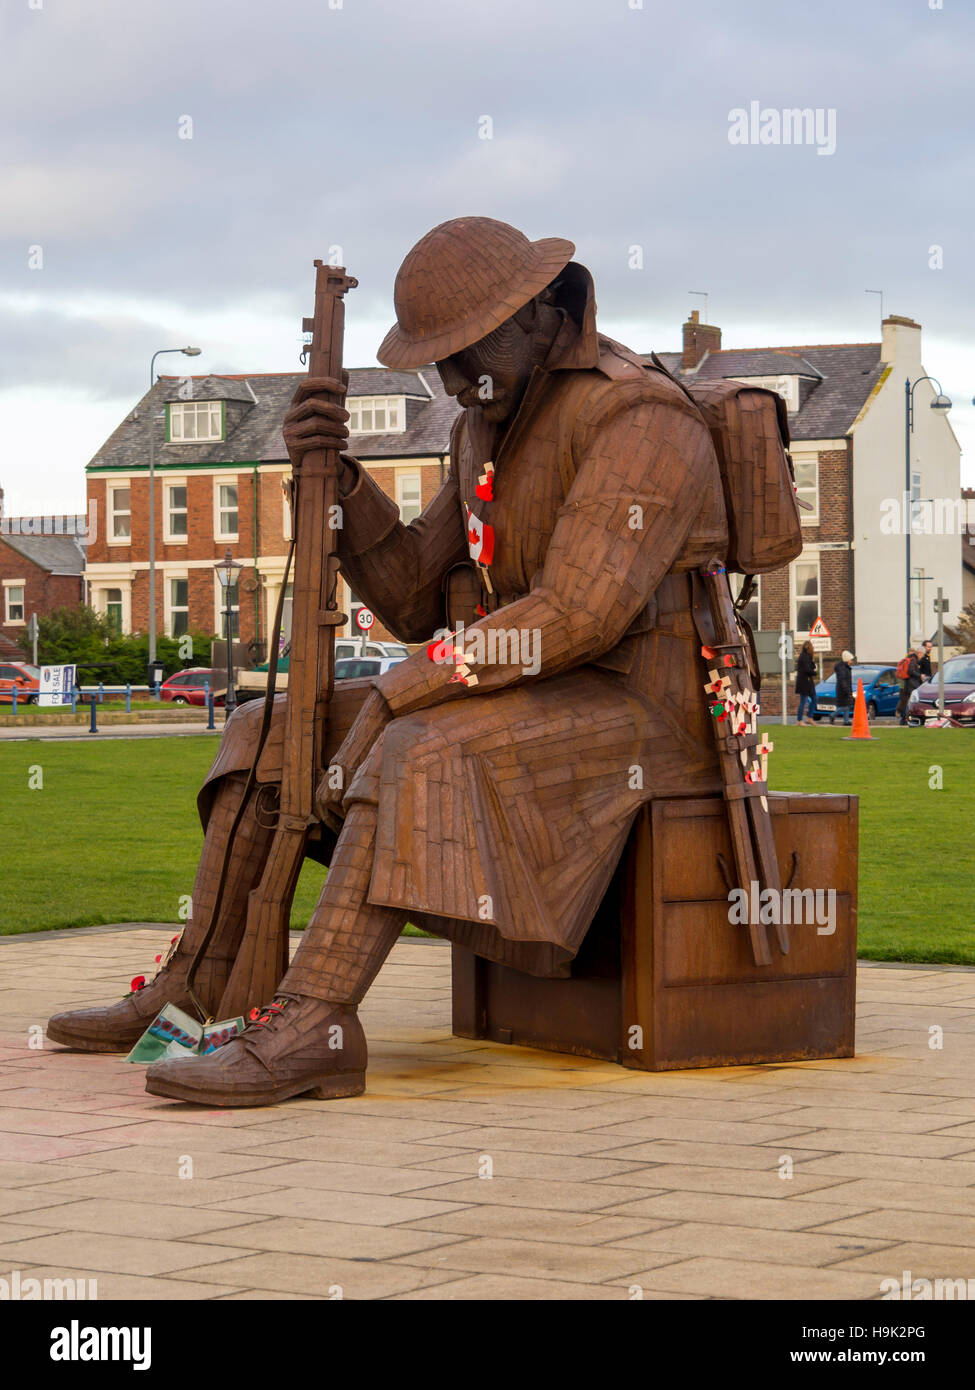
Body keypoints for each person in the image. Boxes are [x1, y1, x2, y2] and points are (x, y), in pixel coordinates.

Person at [47, 216, 767, 1108]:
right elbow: (417, 598)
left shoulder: (638, 415)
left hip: (652, 716)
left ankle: (316, 1018)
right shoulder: (484, 433)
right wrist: (340, 485)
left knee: (420, 745)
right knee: (260, 730)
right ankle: (196, 984)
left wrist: (409, 687)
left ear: (544, 314)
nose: (457, 379)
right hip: (542, 697)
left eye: (470, 351)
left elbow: (580, 613)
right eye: (441, 362)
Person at [896, 643, 925, 725]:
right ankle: (904, 719)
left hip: (908, 684)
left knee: (906, 701)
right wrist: (920, 676)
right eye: (922, 654)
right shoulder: (913, 660)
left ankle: (903, 719)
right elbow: (910, 671)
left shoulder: (911, 659)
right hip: (910, 684)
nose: (922, 656)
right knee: (911, 702)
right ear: (919, 653)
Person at [794, 640, 818, 725]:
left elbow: (811, 667)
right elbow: (807, 670)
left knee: (814, 698)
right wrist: (814, 672)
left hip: (808, 682)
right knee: (803, 701)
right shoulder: (803, 657)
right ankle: (799, 720)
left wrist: (813, 664)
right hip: (803, 682)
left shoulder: (808, 657)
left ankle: (809, 717)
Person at [830, 649, 855, 726]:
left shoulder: (845, 668)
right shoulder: (843, 669)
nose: (852, 661)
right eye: (851, 659)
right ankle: (832, 715)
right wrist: (847, 690)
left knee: (847, 705)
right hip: (843, 690)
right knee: (846, 707)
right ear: (847, 659)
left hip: (844, 689)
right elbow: (843, 680)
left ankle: (846, 721)